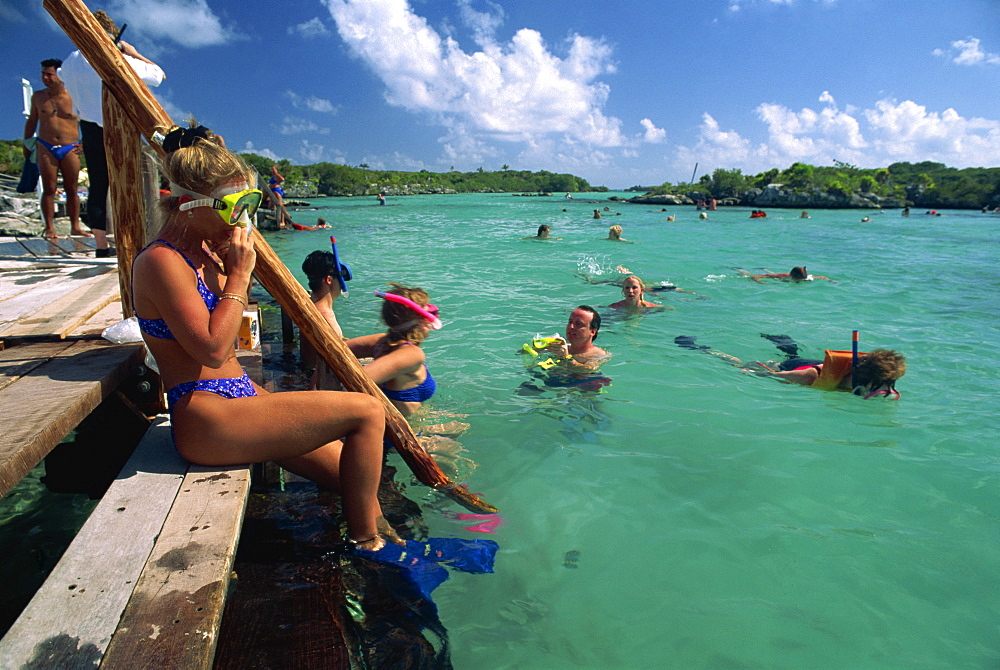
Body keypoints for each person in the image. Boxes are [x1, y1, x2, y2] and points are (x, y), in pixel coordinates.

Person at [131, 125, 395, 552]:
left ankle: (383, 547)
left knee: (357, 482)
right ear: (188, 204)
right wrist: (238, 274)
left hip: (239, 398)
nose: (240, 220)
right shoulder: (161, 262)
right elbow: (214, 351)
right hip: (205, 416)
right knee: (366, 412)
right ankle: (369, 548)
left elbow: (236, 336)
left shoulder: (206, 254)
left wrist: (231, 270)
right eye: (232, 207)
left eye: (248, 205)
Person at [60, 9, 165, 257]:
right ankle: (133, 241)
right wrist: (133, 53)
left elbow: (65, 76)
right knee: (128, 183)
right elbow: (159, 75)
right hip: (117, 125)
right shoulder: (112, 57)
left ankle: (101, 246)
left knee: (99, 184)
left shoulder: (69, 62)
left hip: (88, 126)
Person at [346, 284, 440, 418]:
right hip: (405, 432)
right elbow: (356, 380)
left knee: (459, 424)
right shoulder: (412, 354)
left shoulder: (381, 342)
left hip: (398, 422)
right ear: (422, 320)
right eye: (430, 312)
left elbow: (333, 349)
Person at [23, 58, 88, 240]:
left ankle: (75, 226)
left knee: (71, 187)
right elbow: (32, 122)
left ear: (59, 75)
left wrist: (86, 143)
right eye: (43, 74)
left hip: (70, 146)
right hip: (45, 145)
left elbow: (89, 119)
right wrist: (26, 144)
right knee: (49, 188)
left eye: (49, 74)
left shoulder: (74, 95)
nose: (45, 78)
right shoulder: (38, 97)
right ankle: (49, 228)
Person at [301, 249, 348, 391]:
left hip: (309, 372)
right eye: (341, 277)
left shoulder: (311, 304)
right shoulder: (324, 318)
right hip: (320, 384)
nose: (343, 282)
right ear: (329, 280)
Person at [539, 305, 609, 371]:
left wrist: (566, 358)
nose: (571, 326)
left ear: (593, 332)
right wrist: (538, 347)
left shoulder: (600, 355)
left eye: (578, 324)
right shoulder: (561, 348)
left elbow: (587, 369)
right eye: (570, 322)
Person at [742, 266, 834, 283]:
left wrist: (830, 280)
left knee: (772, 274)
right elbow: (755, 276)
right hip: (780, 277)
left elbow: (822, 277)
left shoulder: (807, 277)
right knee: (773, 275)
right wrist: (759, 281)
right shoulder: (787, 276)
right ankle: (742, 271)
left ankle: (765, 269)